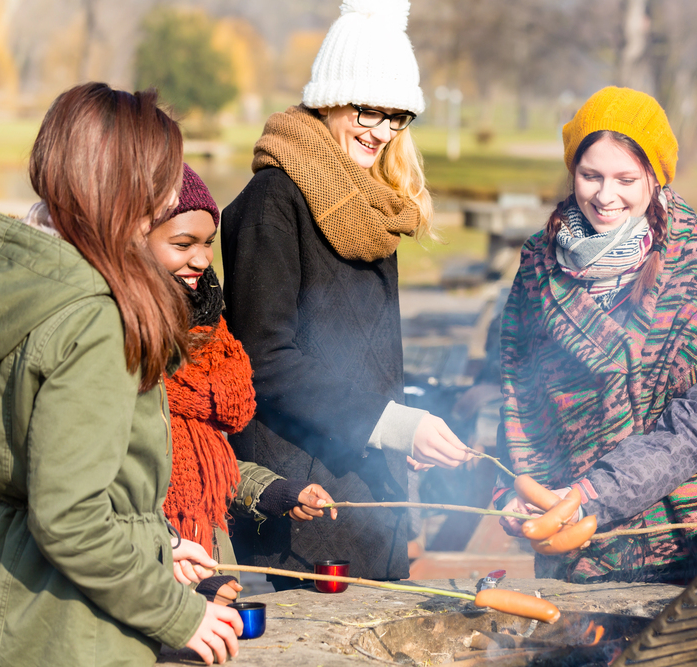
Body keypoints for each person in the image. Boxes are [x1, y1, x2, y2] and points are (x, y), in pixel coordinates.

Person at [0, 83, 242, 667]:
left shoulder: (32, 287)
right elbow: (71, 518)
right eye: (161, 183)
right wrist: (177, 613)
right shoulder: (95, 318)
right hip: (69, 631)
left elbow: (51, 475)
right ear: (122, 190)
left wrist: (158, 543)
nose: (170, 196)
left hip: (19, 599)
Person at [220, 0, 471, 587]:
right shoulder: (272, 203)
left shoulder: (367, 206)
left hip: (372, 482)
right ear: (329, 98)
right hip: (303, 500)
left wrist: (395, 433)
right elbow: (265, 360)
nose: (381, 131)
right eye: (367, 110)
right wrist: (389, 423)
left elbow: (364, 354)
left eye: (397, 116)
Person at [494, 86, 697, 584]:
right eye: (590, 175)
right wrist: (515, 491)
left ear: (656, 177)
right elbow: (518, 390)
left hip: (677, 538)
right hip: (567, 537)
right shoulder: (538, 262)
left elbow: (696, 426)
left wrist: (594, 493)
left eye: (625, 178)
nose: (605, 195)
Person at [147, 164, 340, 606]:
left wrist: (274, 491)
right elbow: (115, 506)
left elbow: (209, 464)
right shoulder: (124, 354)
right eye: (182, 244)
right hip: (158, 589)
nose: (201, 259)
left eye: (207, 243)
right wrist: (188, 583)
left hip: (209, 569)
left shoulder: (207, 334)